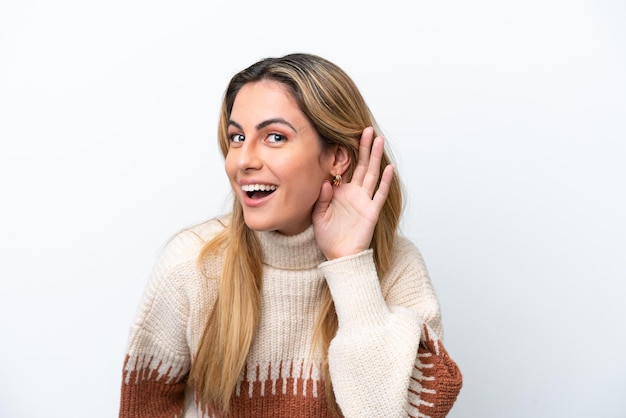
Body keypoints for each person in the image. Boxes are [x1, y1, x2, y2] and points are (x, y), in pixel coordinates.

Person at [118, 52, 462, 418]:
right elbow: (144, 408)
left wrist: (349, 265)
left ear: (337, 158)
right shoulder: (193, 264)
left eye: (275, 137)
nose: (243, 160)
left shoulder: (395, 267)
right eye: (237, 137)